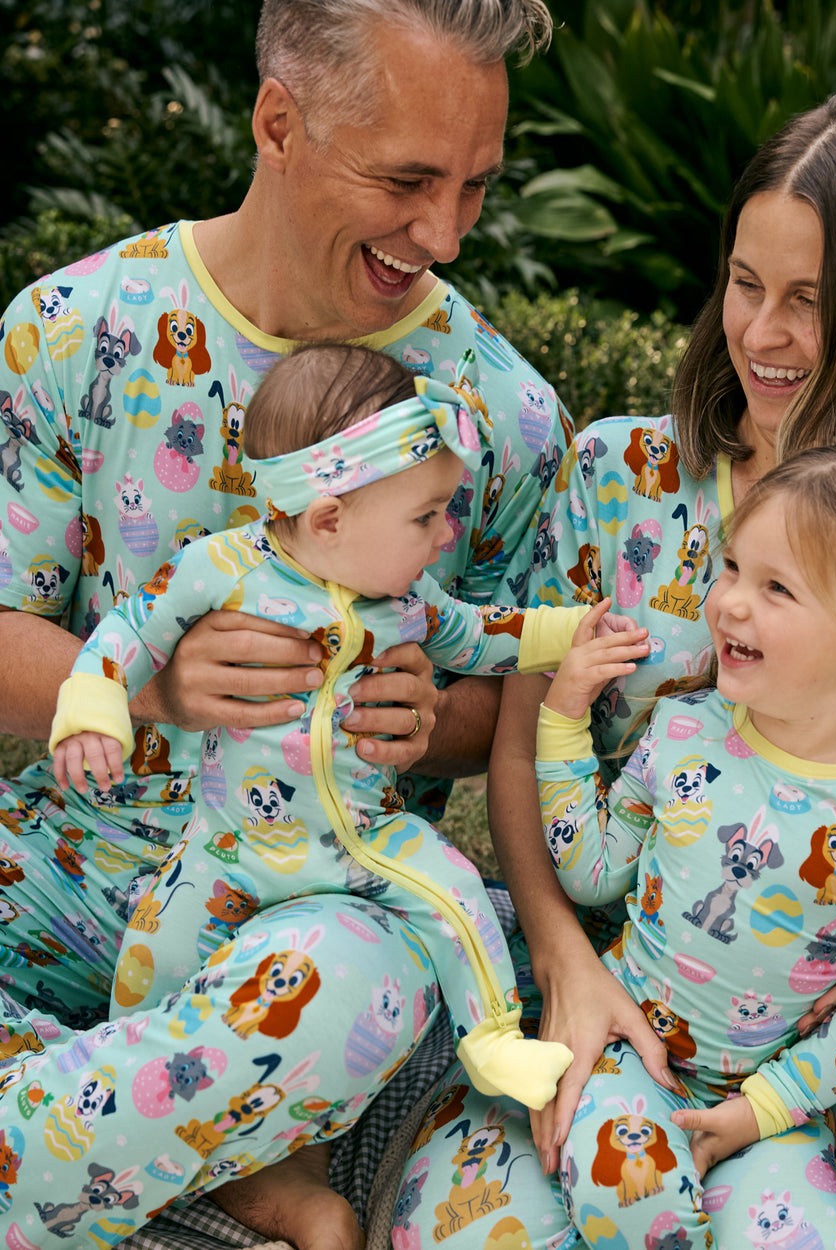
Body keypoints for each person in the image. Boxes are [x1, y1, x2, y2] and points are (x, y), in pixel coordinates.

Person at [0, 1, 569, 1245]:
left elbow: (516, 705)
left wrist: (435, 713)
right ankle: (204, 1154)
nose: (445, 235)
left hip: (316, 929)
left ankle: (91, 1140)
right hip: (66, 875)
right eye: (409, 179)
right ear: (277, 122)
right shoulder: (69, 331)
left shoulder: (506, 415)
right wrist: (153, 686)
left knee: (362, 985)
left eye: (475, 185)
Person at [397, 92, 836, 1248]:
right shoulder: (619, 476)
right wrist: (569, 963)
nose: (760, 333)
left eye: (810, 303)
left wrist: (783, 1077)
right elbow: (526, 739)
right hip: (603, 981)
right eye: (744, 283)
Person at [49, 340, 600, 1115]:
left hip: (363, 842)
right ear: (330, 518)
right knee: (156, 947)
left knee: (460, 900)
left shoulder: (411, 603)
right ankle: (129, 1072)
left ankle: (496, 1043)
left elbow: (484, 636)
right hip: (228, 843)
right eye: (426, 515)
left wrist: (577, 630)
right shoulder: (222, 570)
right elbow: (132, 631)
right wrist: (94, 707)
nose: (446, 535)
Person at [538, 444, 836, 1244]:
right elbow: (592, 869)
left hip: (778, 1101)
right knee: (627, 1197)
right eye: (734, 566)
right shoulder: (681, 731)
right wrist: (562, 718)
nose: (730, 603)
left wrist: (760, 1113)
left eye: (776, 587)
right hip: (630, 1056)